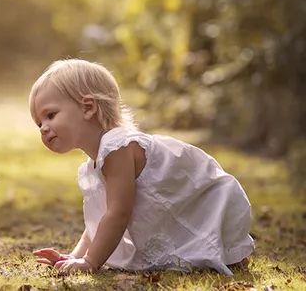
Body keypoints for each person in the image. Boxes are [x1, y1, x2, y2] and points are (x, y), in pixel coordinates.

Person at [29, 59, 254, 275]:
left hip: (205, 201)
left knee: (200, 241)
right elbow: (99, 220)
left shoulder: (118, 147)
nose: (43, 128)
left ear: (88, 108)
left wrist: (90, 261)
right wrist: (74, 257)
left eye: (50, 115)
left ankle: (228, 250)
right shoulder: (95, 162)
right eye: (39, 122)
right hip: (175, 208)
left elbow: (118, 213)